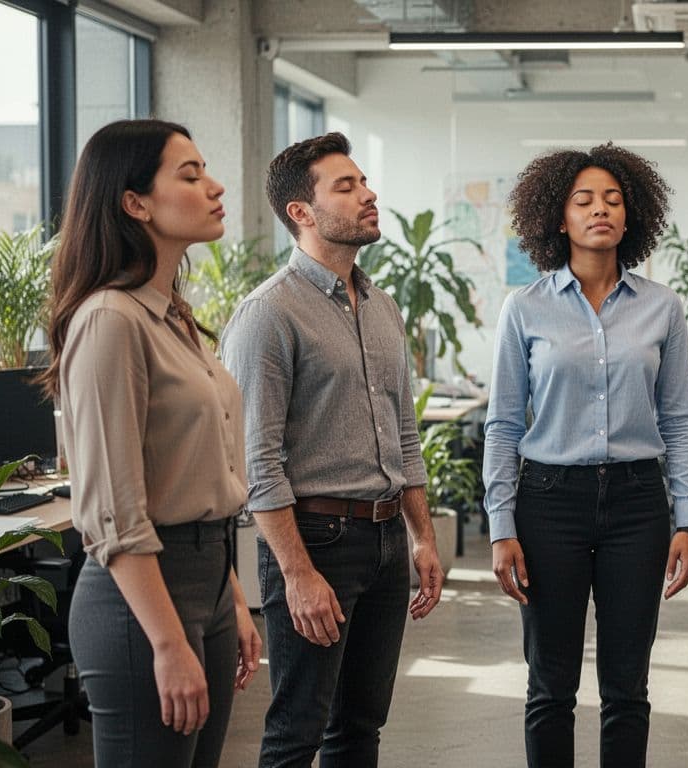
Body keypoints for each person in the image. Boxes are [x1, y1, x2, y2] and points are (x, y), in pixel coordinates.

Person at [220, 132, 444, 768]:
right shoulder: (268, 314)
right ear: (302, 211)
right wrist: (295, 572)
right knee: (298, 729)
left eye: (364, 181)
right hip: (315, 540)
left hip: (383, 540)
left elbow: (404, 433)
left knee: (360, 728)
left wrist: (421, 536)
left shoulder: (381, 305)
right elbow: (255, 459)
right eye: (345, 186)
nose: (369, 194)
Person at [43, 119, 262, 767]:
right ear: (134, 203)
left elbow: (200, 474)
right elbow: (114, 510)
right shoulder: (110, 320)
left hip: (209, 582)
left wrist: (232, 596)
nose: (215, 186)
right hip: (143, 599)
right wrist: (168, 644)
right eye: (190, 175)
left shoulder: (173, 316)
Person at [484, 143, 688, 768]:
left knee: (627, 689)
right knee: (550, 686)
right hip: (548, 503)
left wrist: (686, 519)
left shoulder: (663, 308)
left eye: (612, 199)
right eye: (583, 200)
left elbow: (680, 420)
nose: (599, 210)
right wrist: (502, 529)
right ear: (559, 217)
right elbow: (503, 425)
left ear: (631, 218)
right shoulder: (524, 309)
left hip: (638, 503)